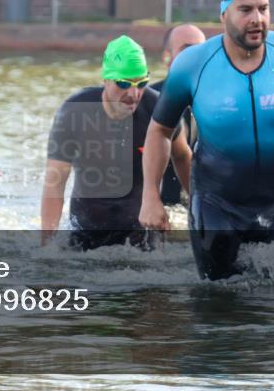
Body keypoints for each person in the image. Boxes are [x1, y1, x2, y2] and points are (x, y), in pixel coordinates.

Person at [140, 0, 274, 280]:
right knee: (221, 302)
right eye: (245, 10)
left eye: (263, 8)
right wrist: (150, 198)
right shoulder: (193, 65)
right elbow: (159, 131)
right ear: (224, 14)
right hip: (216, 207)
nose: (257, 18)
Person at [41, 35, 192, 251]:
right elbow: (55, 181)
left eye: (141, 83)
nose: (133, 94)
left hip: (141, 234)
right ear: (106, 79)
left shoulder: (157, 108)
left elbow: (183, 157)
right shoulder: (74, 111)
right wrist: (47, 245)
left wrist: (200, 216)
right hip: (86, 233)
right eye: (123, 83)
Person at [151, 23, 206, 206]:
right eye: (187, 50)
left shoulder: (222, 103)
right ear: (167, 56)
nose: (195, 57)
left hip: (197, 205)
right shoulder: (146, 102)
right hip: (158, 209)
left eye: (201, 51)